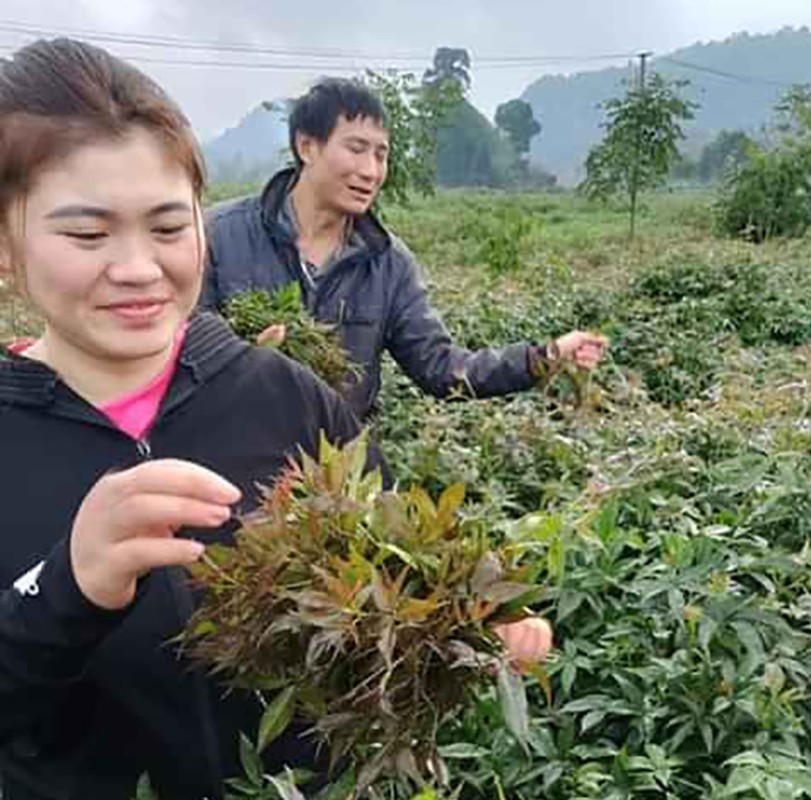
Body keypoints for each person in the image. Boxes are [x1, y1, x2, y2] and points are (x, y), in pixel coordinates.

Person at [0, 39, 551, 800]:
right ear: (6, 241)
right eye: (87, 234)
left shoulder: (287, 397)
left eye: (167, 227)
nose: (136, 267)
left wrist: (470, 621)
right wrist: (64, 590)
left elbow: (393, 563)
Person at [201, 78, 608, 420]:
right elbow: (172, 353)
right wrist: (246, 360)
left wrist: (544, 357)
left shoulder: (388, 263)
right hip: (233, 459)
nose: (371, 171)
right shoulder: (219, 235)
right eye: (356, 149)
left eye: (381, 155)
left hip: (335, 472)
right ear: (307, 147)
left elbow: (442, 368)